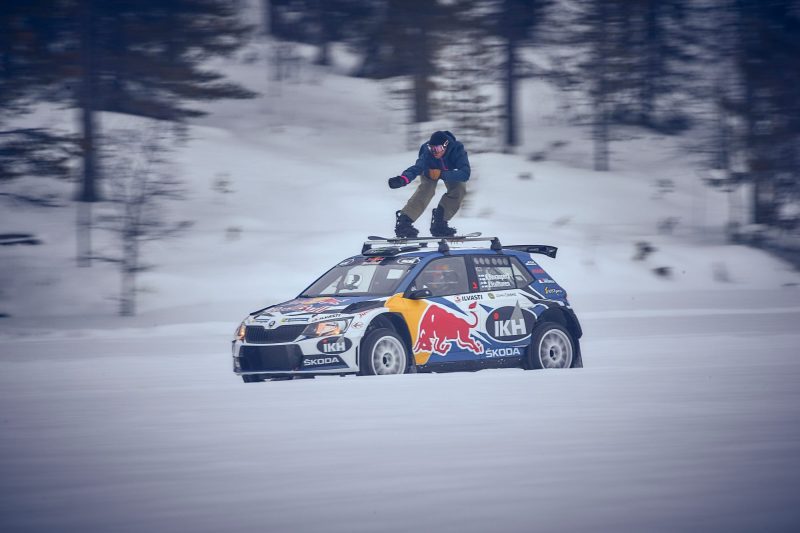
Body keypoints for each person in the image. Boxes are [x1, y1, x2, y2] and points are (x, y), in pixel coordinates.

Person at [388, 130, 471, 238]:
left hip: (449, 171)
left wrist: (442, 174)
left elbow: (465, 173)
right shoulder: (427, 153)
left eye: (437, 149)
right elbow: (417, 168)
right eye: (432, 148)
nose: (435, 152)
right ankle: (404, 222)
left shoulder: (457, 149)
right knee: (427, 189)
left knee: (459, 188)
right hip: (429, 171)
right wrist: (403, 179)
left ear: (446, 146)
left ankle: (439, 223)